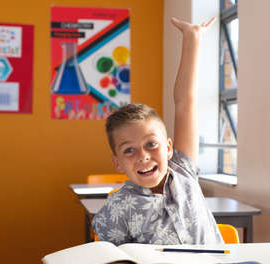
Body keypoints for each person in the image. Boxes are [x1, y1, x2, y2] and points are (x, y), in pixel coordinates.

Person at [92, 17, 223, 245]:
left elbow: (185, 103)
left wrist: (192, 39)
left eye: (151, 144)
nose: (143, 156)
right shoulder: (117, 209)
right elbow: (109, 261)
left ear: (169, 148)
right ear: (117, 163)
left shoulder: (183, 170)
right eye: (129, 150)